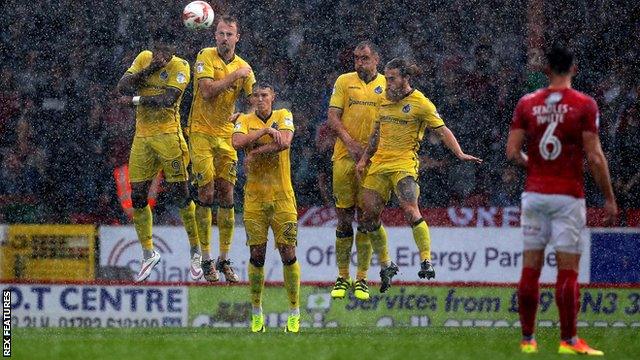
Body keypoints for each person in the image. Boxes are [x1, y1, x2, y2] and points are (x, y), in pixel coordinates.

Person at [506, 46, 617, 356]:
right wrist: (609, 198)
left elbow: (512, 153)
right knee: (567, 271)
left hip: (535, 195)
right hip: (568, 196)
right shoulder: (584, 104)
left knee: (530, 269)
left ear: (546, 70)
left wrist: (538, 167)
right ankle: (569, 340)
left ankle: (528, 339)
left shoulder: (527, 103)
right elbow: (594, 156)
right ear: (574, 68)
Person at [357, 58, 482, 293]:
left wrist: (459, 152)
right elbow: (376, 133)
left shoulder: (420, 103)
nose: (388, 83)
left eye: (392, 78)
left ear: (405, 78)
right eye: (386, 78)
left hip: (404, 164)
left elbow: (442, 129)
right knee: (368, 216)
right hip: (379, 164)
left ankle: (426, 260)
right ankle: (387, 264)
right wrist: (364, 159)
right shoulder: (382, 99)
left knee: (410, 210)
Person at [115, 36, 200, 282]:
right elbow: (122, 86)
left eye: (166, 50)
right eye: (158, 50)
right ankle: (148, 252)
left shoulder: (181, 66)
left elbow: (168, 100)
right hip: (142, 138)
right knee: (138, 196)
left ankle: (195, 251)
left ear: (174, 50)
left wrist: (135, 100)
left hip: (169, 136)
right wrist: (150, 68)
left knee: (181, 193)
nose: (161, 55)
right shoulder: (145, 59)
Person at [188, 15, 256, 282]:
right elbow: (206, 91)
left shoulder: (245, 67)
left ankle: (224, 258)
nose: (224, 38)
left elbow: (253, 102)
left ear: (237, 37)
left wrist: (243, 116)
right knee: (206, 191)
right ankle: (205, 259)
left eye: (229, 34)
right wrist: (234, 76)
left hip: (225, 136)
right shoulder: (205, 57)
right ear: (214, 35)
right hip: (201, 133)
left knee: (227, 195)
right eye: (220, 33)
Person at [232, 83, 300, 333]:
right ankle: (256, 313)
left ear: (273, 97)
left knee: (288, 254)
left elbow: (285, 142)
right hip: (255, 199)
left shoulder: (284, 115)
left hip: (282, 197)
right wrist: (266, 131)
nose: (260, 99)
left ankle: (294, 313)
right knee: (257, 256)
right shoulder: (245, 120)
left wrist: (256, 151)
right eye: (256, 96)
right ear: (251, 99)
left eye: (264, 95)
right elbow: (237, 141)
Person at [327, 41, 386, 301]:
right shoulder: (344, 81)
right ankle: (342, 276)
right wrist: (350, 143)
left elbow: (389, 123)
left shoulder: (387, 84)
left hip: (373, 161)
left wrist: (370, 150)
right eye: (356, 58)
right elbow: (332, 116)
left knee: (366, 217)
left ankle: (361, 278)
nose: (359, 63)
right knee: (343, 217)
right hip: (344, 157)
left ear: (376, 60)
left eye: (364, 58)